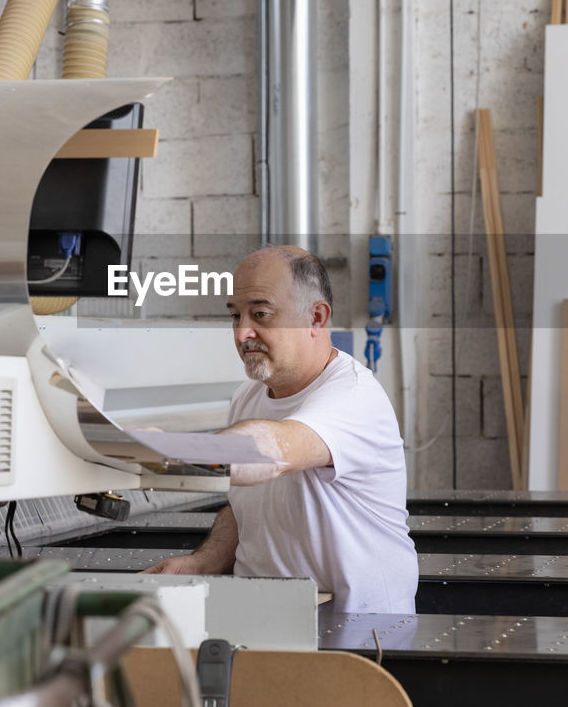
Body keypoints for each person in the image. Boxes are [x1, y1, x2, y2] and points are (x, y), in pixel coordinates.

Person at [143, 245, 418, 614]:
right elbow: (251, 510)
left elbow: (274, 452)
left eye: (260, 314)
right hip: (268, 622)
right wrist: (203, 561)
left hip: (360, 638)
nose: (242, 334)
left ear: (316, 318)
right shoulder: (248, 397)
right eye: (235, 316)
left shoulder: (355, 396)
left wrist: (170, 449)